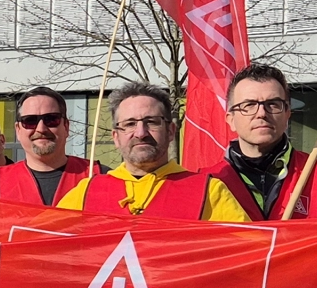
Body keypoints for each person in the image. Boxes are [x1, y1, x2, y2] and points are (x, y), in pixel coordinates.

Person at [57, 82, 251, 222]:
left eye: (151, 122)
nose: (141, 133)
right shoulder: (86, 192)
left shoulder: (209, 191)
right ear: (116, 137)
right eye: (130, 124)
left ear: (171, 131)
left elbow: (247, 256)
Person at [206, 63, 317, 220]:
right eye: (249, 105)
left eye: (273, 104)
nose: (261, 113)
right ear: (230, 119)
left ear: (288, 113)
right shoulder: (207, 184)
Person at [0, 87, 102, 205]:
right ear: (18, 130)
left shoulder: (100, 177)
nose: (41, 129)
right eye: (30, 121)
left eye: (51, 119)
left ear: (66, 126)